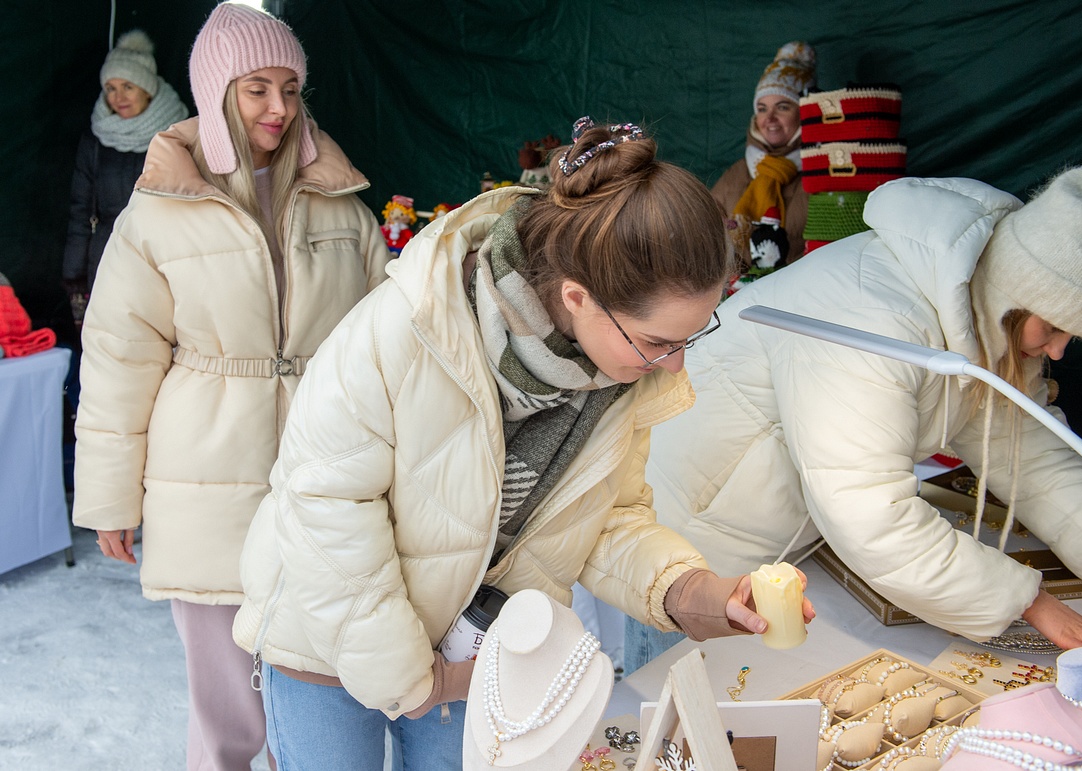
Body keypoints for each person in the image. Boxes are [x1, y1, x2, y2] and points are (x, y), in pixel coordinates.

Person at [232, 116, 814, 770]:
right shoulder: (407, 328)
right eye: (658, 342)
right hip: (323, 645)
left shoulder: (613, 379)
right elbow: (327, 506)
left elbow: (607, 519)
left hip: (470, 653)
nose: (675, 365)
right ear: (577, 296)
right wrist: (411, 678)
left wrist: (693, 590)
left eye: (691, 336)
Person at [626, 166, 1082, 672]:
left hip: (771, 530)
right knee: (681, 708)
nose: (1059, 350)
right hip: (689, 538)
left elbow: (1027, 447)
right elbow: (872, 517)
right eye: (1052, 327)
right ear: (1014, 295)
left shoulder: (984, 313)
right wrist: (1028, 603)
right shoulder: (871, 317)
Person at [70, 4, 392, 769]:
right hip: (205, 485)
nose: (279, 107)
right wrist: (111, 497)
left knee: (315, 701)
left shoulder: (343, 207)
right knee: (227, 719)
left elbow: (391, 341)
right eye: (257, 89)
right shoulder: (157, 213)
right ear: (217, 91)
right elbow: (118, 357)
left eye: (290, 88)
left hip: (323, 488)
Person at [62, 29, 188, 324]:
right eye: (110, 88)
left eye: (127, 86)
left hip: (163, 259)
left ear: (147, 89)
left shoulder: (178, 134)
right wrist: (74, 277)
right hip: (107, 259)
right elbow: (81, 211)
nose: (118, 97)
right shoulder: (95, 140)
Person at [711, 41, 815, 273]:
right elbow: (703, 236)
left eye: (783, 107)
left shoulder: (818, 173)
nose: (770, 118)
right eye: (762, 108)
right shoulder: (737, 173)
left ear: (803, 112)